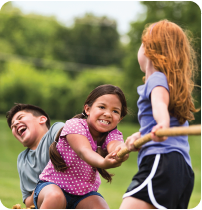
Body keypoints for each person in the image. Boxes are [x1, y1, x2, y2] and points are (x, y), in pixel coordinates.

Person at [120, 20, 199, 209]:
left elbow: (159, 105)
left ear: (148, 50)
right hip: (182, 170)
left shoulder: (156, 79)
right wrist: (140, 136)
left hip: (161, 161)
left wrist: (161, 123)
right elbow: (161, 119)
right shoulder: (171, 84)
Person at [33, 84, 129, 209]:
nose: (108, 114)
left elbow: (116, 145)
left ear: (120, 118)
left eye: (115, 111)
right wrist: (104, 162)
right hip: (52, 186)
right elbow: (84, 151)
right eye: (102, 107)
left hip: (84, 194)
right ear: (87, 109)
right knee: (55, 197)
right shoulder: (75, 125)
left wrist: (123, 151)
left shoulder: (113, 134)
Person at [6, 103, 65, 208]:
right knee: (54, 194)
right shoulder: (22, 159)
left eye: (20, 117)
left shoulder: (55, 131)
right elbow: (28, 201)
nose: (15, 124)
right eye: (12, 126)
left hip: (76, 193)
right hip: (47, 197)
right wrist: (42, 186)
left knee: (96, 202)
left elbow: (70, 136)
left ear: (42, 119)